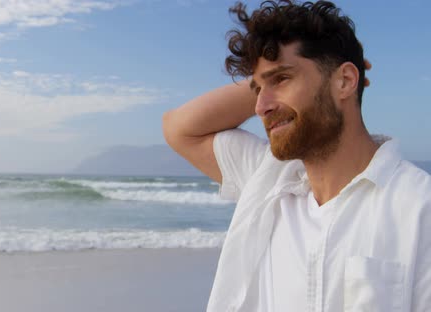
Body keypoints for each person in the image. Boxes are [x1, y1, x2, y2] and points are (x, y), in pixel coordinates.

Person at [162, 1, 431, 311]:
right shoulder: (267, 180)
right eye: (257, 88)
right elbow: (178, 127)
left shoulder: (418, 208)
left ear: (345, 81)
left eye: (281, 79)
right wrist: (268, 82)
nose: (260, 107)